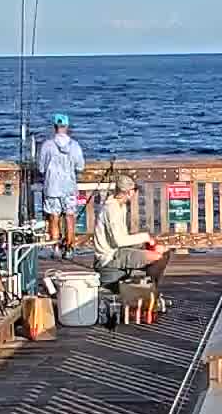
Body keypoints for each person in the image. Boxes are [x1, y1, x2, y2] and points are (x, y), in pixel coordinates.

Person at [95, 174, 169, 289]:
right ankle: (151, 289)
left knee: (163, 250)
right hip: (110, 256)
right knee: (157, 257)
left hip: (121, 250)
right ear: (129, 192)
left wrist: (145, 242)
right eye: (134, 190)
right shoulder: (111, 209)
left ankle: (149, 287)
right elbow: (119, 241)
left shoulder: (121, 206)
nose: (135, 193)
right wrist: (144, 237)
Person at [38, 113, 85, 256]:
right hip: (69, 187)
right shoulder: (75, 146)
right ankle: (70, 249)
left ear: (54, 127)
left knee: (54, 217)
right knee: (70, 217)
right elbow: (80, 167)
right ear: (67, 127)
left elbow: (41, 168)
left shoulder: (47, 145)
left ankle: (56, 248)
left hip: (52, 188)